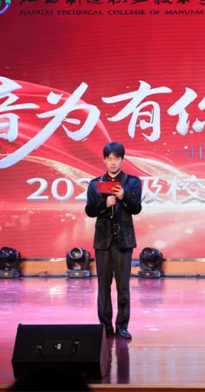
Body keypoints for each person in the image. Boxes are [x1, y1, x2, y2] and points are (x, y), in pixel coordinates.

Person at [85, 142, 142, 339]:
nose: (113, 163)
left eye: (116, 158)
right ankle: (105, 326)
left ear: (122, 160)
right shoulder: (95, 184)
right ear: (104, 160)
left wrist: (123, 197)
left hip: (123, 240)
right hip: (103, 240)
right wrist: (105, 203)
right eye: (109, 159)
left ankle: (122, 326)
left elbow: (136, 208)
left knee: (123, 286)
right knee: (103, 286)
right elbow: (90, 210)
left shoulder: (132, 182)